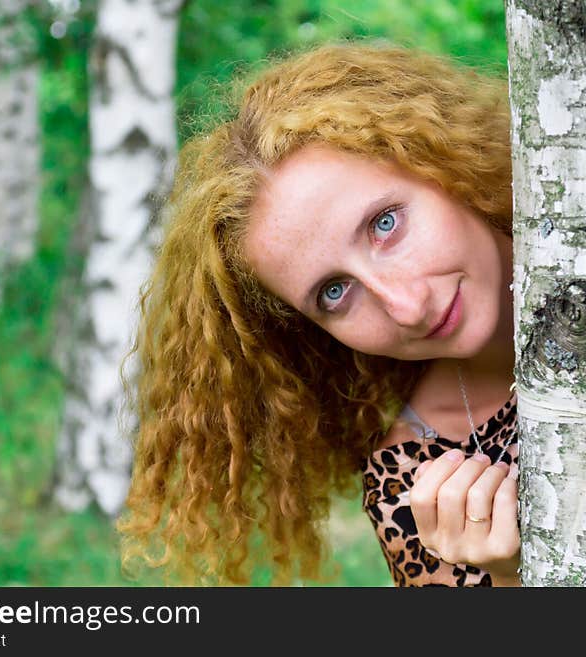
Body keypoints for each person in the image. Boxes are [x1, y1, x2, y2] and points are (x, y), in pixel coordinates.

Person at [117, 40, 520, 587]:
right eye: (334, 293)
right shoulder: (413, 481)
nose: (405, 306)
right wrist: (516, 577)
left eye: (385, 225)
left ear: (446, 164)